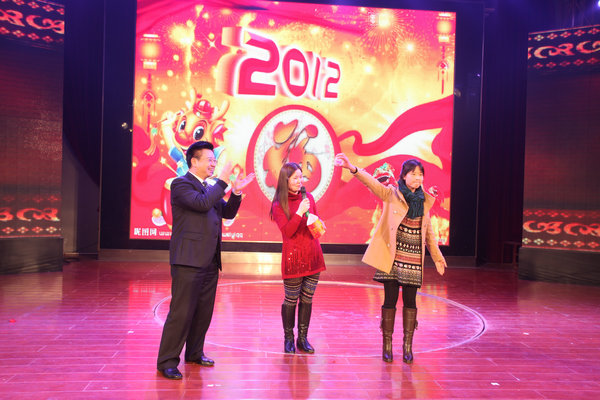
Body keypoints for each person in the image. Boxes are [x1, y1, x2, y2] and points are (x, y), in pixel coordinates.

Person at [334, 153, 447, 364]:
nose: (418, 178)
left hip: (413, 259)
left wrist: (437, 257)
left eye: (421, 175)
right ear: (404, 176)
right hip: (393, 258)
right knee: (390, 301)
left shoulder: (424, 201)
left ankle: (407, 346)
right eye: (413, 174)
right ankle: (387, 345)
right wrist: (352, 168)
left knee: (411, 302)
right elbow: (371, 182)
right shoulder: (391, 194)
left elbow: (429, 233)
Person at [157, 140, 255, 379]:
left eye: (215, 161)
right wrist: (222, 180)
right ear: (194, 161)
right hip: (188, 260)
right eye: (210, 160)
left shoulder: (209, 187)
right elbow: (201, 205)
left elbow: (227, 212)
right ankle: (167, 361)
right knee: (181, 312)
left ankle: (194, 353)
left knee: (203, 312)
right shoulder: (181, 184)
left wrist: (236, 192)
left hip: (209, 260)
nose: (213, 164)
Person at [270, 162, 326, 354]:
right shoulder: (279, 204)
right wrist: (300, 212)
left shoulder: (308, 197)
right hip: (294, 258)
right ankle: (288, 338)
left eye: (301, 177)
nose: (300, 181)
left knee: (307, 299)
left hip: (313, 255)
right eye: (295, 178)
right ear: (285, 180)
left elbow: (314, 223)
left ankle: (303, 338)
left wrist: (318, 223)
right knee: (291, 299)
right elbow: (288, 231)